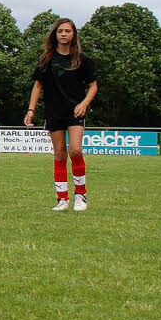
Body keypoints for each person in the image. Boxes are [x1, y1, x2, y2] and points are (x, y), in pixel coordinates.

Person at [25, 18, 98, 212]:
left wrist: (84, 103)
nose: (63, 34)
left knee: (75, 150)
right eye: (60, 31)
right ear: (55, 35)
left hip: (75, 111)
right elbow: (37, 86)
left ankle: (81, 196)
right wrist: (31, 110)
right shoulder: (46, 59)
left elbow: (93, 86)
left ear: (73, 34)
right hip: (54, 111)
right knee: (59, 154)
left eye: (67, 31)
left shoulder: (82, 60)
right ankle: (62, 199)